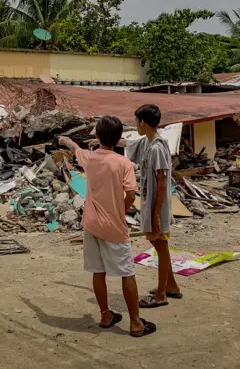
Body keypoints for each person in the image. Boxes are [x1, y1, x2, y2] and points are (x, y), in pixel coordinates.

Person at [59, 116, 156, 337]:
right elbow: (131, 194)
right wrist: (120, 210)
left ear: (97, 137)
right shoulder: (124, 163)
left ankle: (105, 314)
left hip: (91, 224)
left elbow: (76, 149)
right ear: (119, 137)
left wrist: (66, 141)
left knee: (98, 271)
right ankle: (135, 323)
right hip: (114, 226)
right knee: (127, 273)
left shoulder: (90, 158)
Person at [125, 104, 181, 308]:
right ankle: (171, 285)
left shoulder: (157, 147)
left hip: (158, 205)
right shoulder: (148, 142)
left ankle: (161, 294)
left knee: (161, 245)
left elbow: (162, 181)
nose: (135, 125)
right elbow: (129, 144)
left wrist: (156, 213)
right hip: (152, 203)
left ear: (143, 122)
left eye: (136, 121)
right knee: (157, 243)